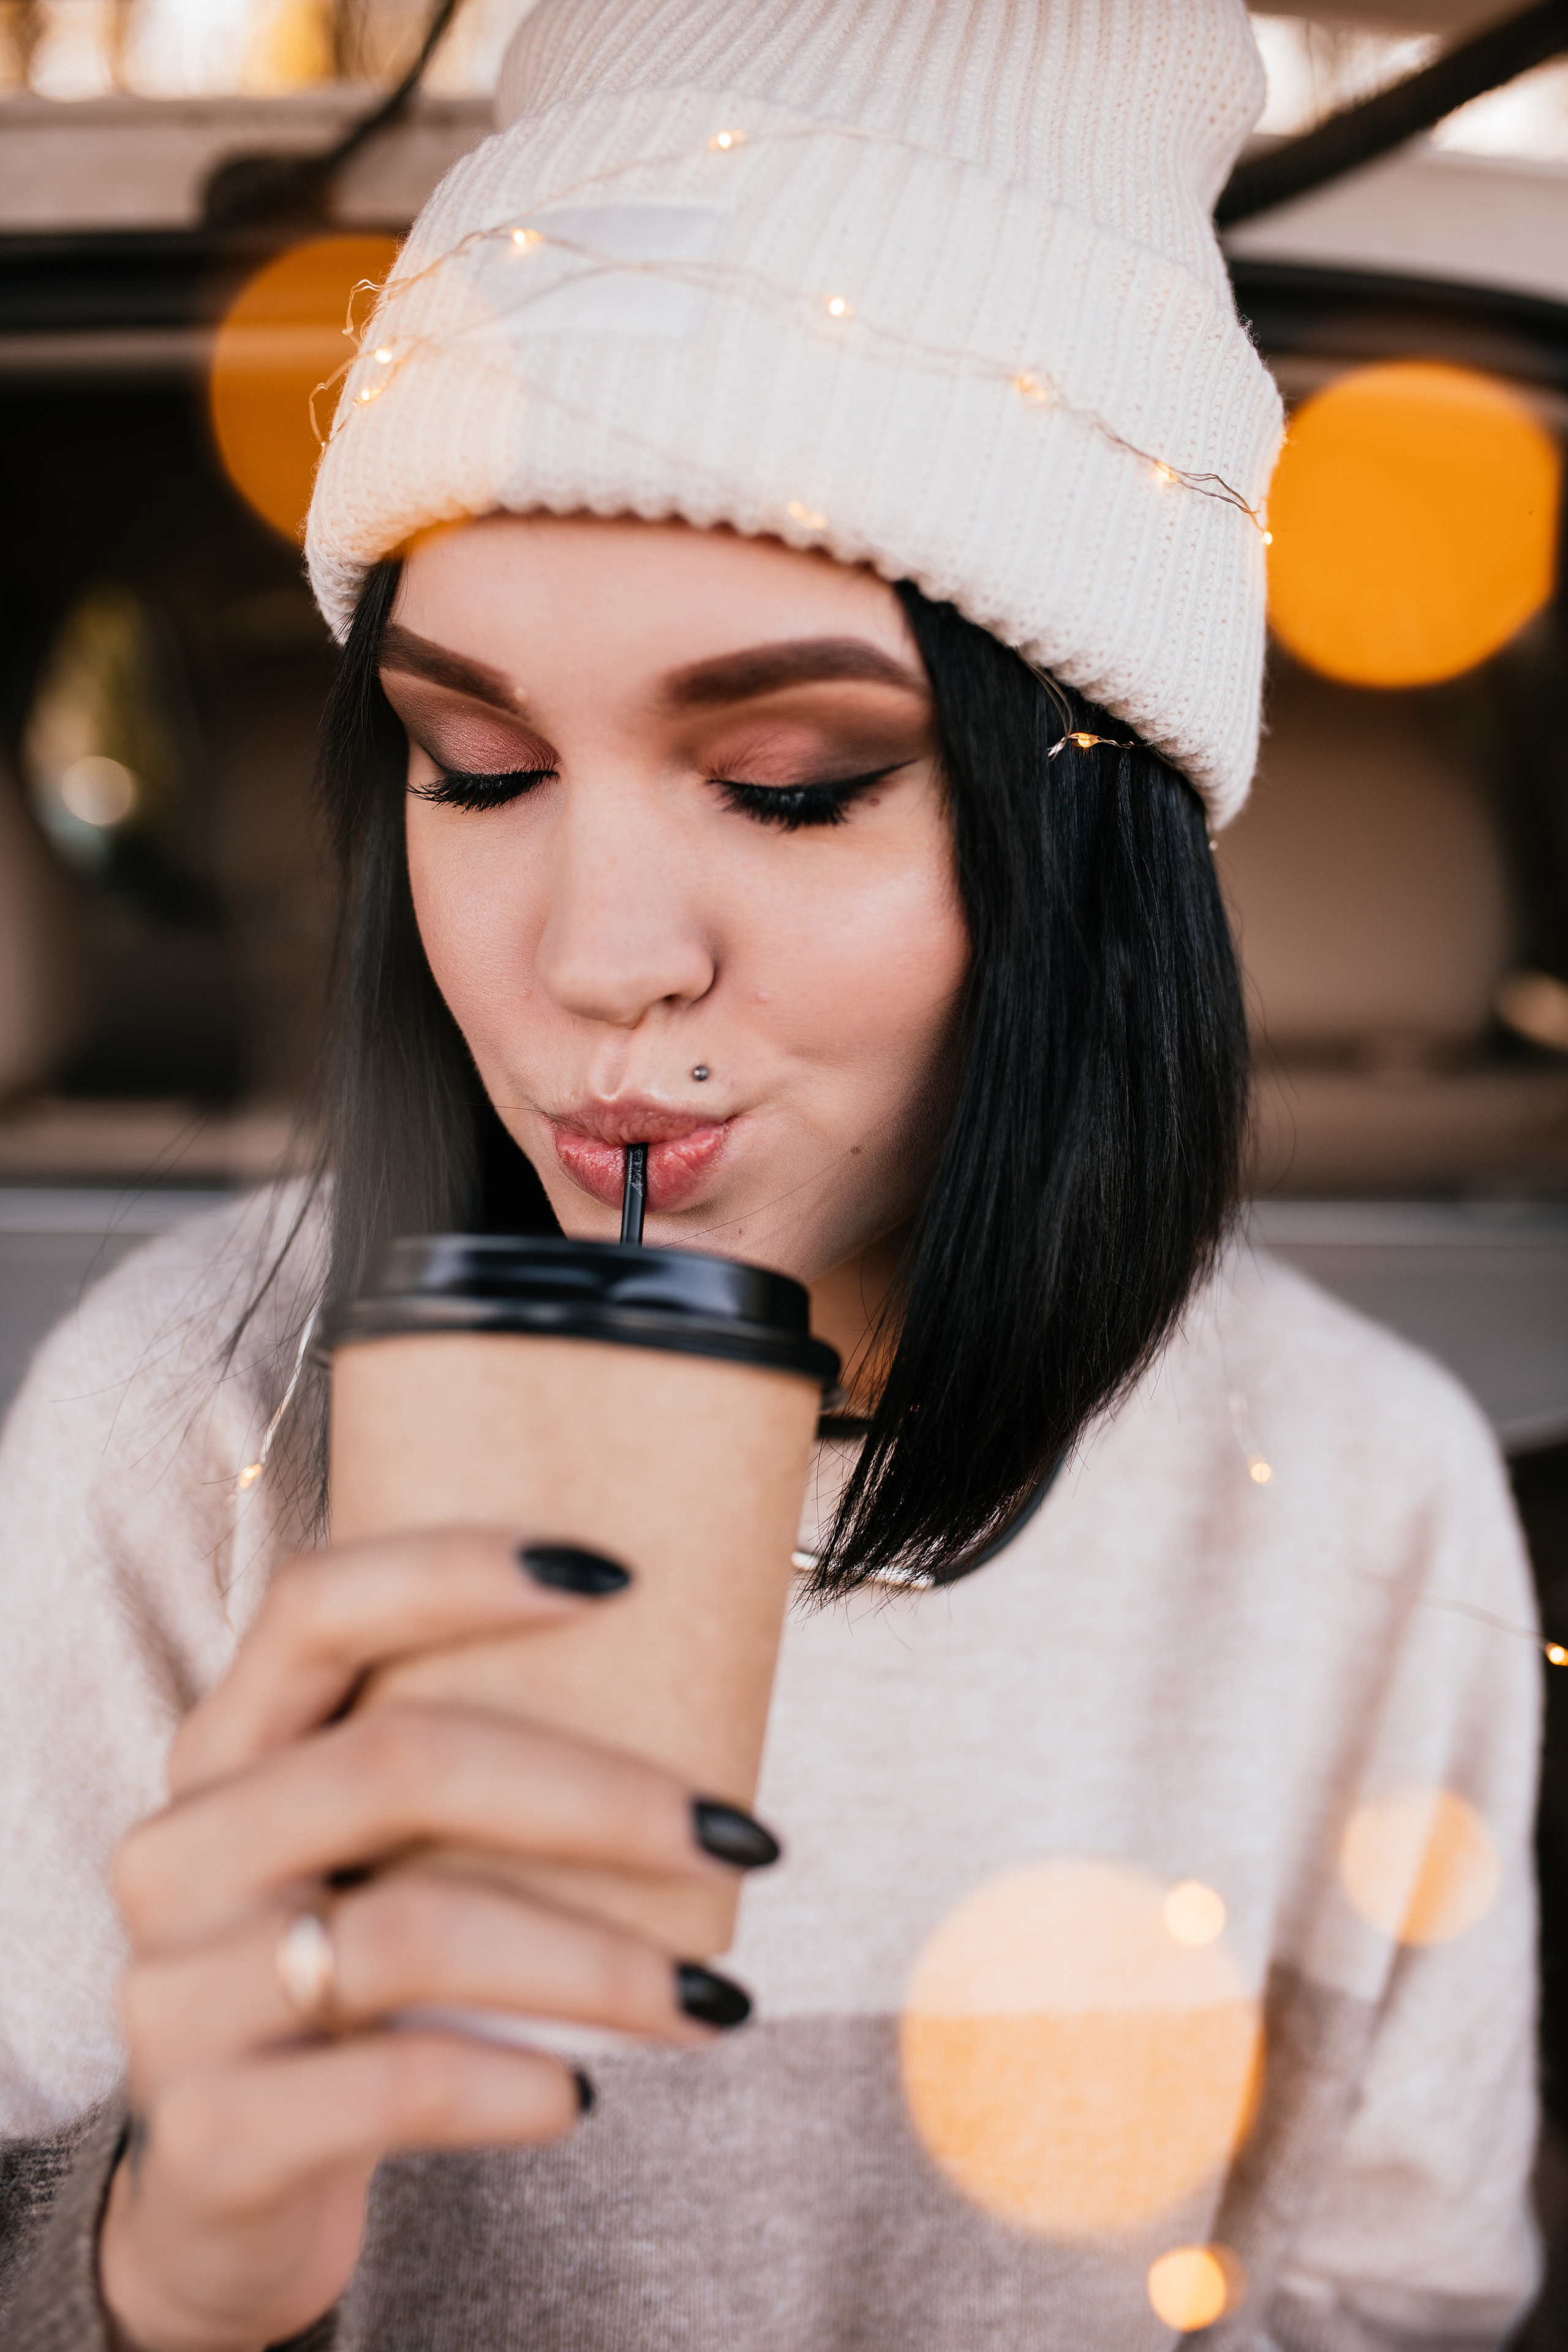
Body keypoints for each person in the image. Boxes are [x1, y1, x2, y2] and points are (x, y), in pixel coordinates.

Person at [0, 2, 1544, 2346]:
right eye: (474, 767)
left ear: (1082, 839)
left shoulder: (1357, 1504)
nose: (592, 959)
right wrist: (153, 2274)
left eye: (796, 783)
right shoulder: (188, 1436)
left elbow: (1396, 2308)